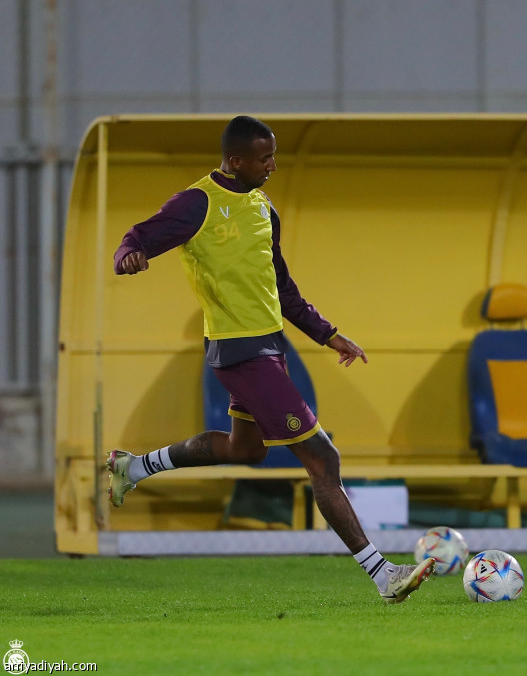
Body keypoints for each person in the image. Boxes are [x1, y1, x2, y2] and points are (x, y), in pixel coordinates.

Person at [106, 115, 434, 603]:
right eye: (265, 158)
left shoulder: (262, 207)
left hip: (267, 347)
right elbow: (138, 235)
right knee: (323, 458)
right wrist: (128, 255)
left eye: (274, 156)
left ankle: (134, 468)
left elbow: (281, 286)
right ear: (235, 160)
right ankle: (382, 574)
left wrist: (329, 335)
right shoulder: (198, 202)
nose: (273, 166)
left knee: (247, 451)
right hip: (241, 352)